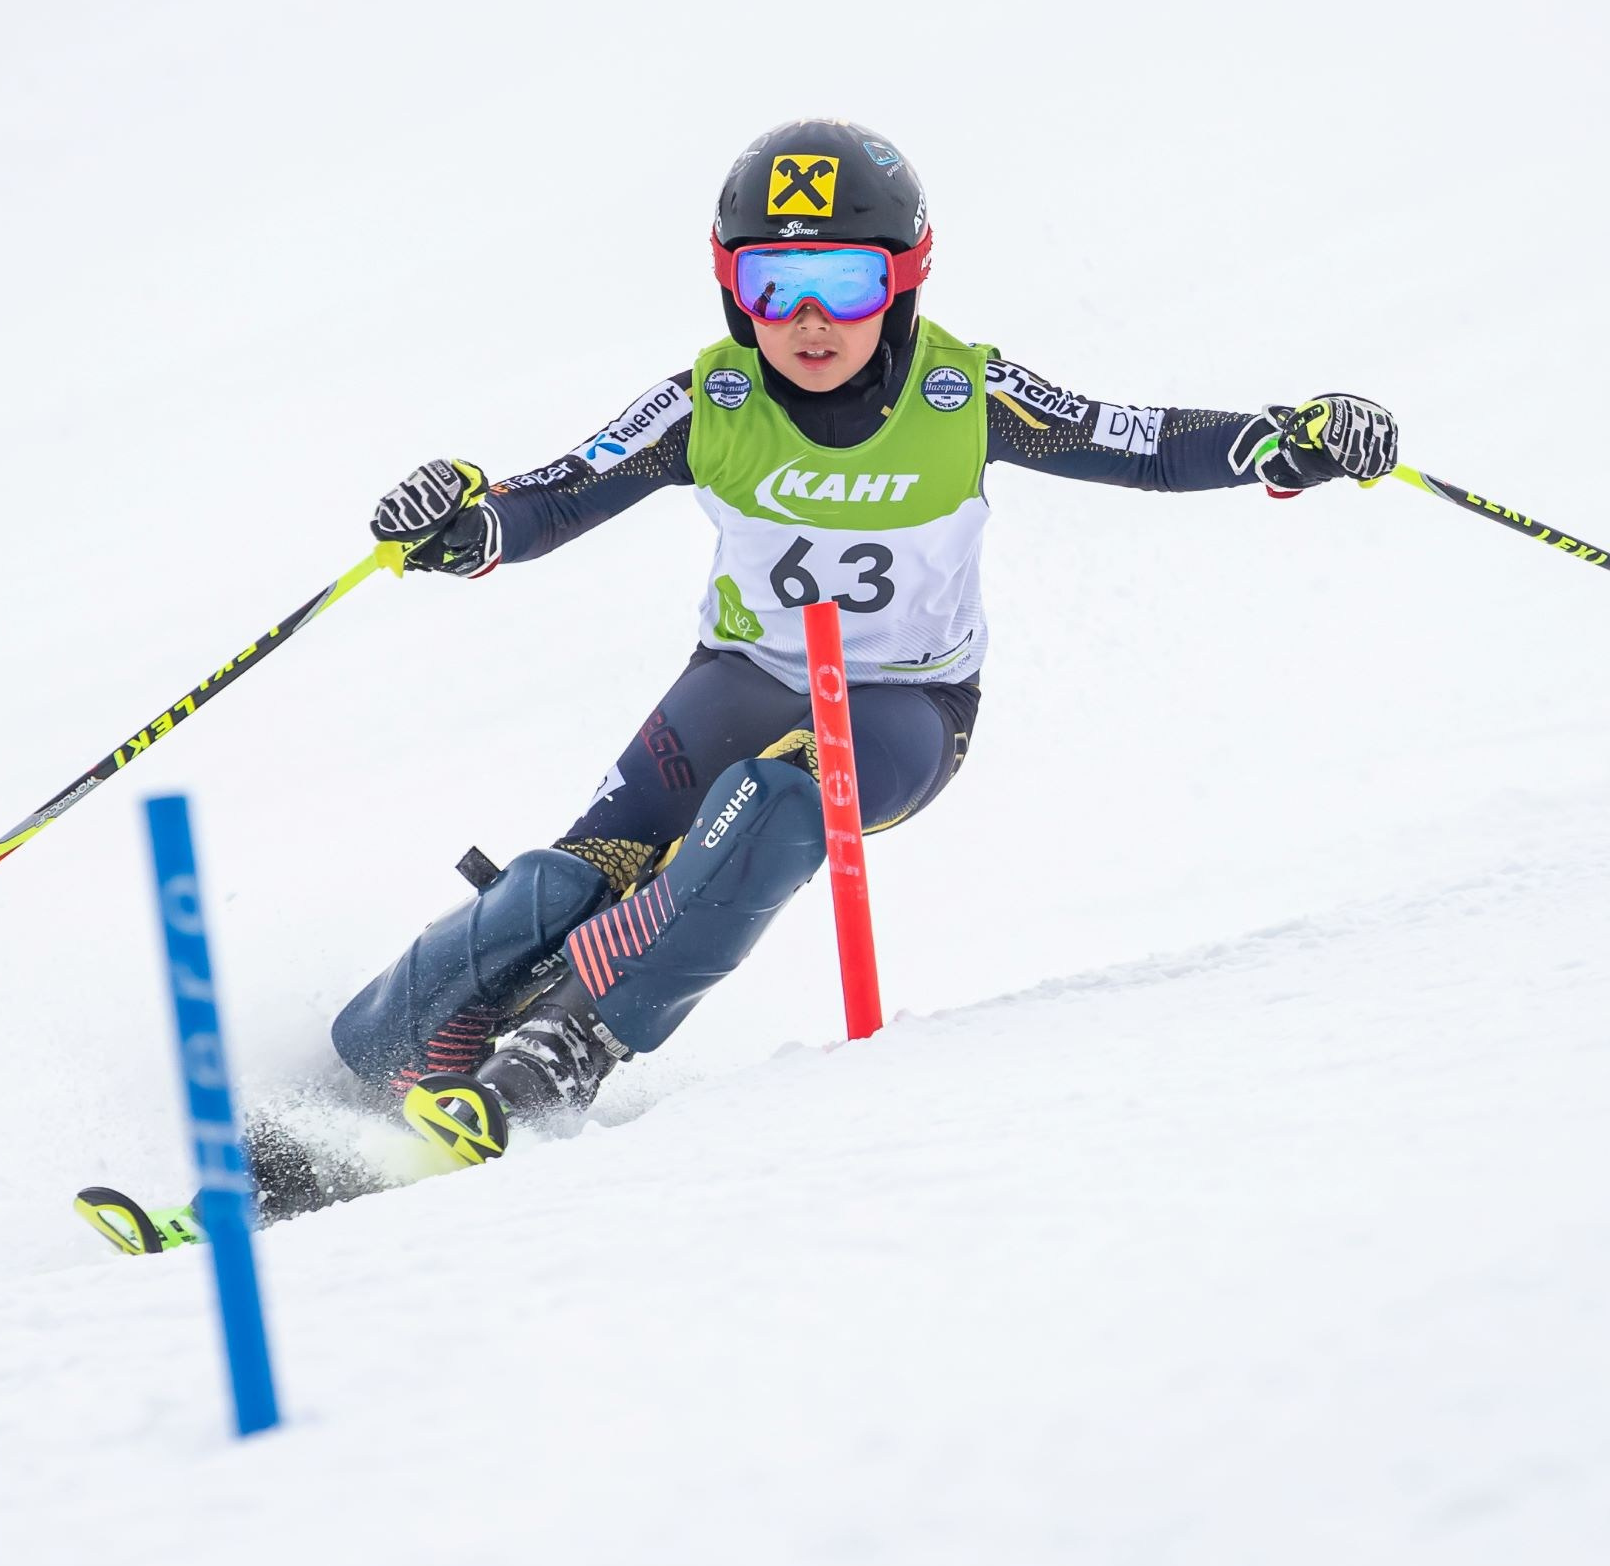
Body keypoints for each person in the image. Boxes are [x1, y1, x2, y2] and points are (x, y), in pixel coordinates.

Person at [337, 117, 1397, 1174]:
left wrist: (1288, 439)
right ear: (728, 287)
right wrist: (464, 526)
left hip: (904, 707)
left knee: (785, 796)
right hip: (738, 682)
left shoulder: (965, 395)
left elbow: (1147, 446)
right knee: (572, 881)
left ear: (901, 281)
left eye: (841, 282)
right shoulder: (706, 399)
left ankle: (555, 1057)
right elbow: (558, 497)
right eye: (770, 282)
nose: (805, 319)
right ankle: (370, 1059)